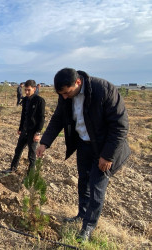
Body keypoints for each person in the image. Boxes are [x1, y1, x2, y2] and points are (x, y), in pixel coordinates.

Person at [36, 68, 130, 242]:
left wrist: (108, 156)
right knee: (83, 181)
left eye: (67, 93)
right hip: (83, 144)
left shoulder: (104, 90)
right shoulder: (65, 95)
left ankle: (88, 227)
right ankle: (81, 215)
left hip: (103, 148)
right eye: (61, 94)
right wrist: (44, 143)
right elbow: (58, 118)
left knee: (96, 187)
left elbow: (120, 126)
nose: (64, 97)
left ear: (78, 82)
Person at [3, 80, 46, 174]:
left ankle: (30, 175)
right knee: (18, 150)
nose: (26, 92)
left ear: (34, 89)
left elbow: (41, 118)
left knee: (31, 154)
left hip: (33, 132)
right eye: (25, 90)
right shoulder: (25, 100)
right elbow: (23, 115)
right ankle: (12, 169)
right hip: (24, 131)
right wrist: (20, 128)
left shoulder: (39, 101)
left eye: (28, 90)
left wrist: (38, 132)